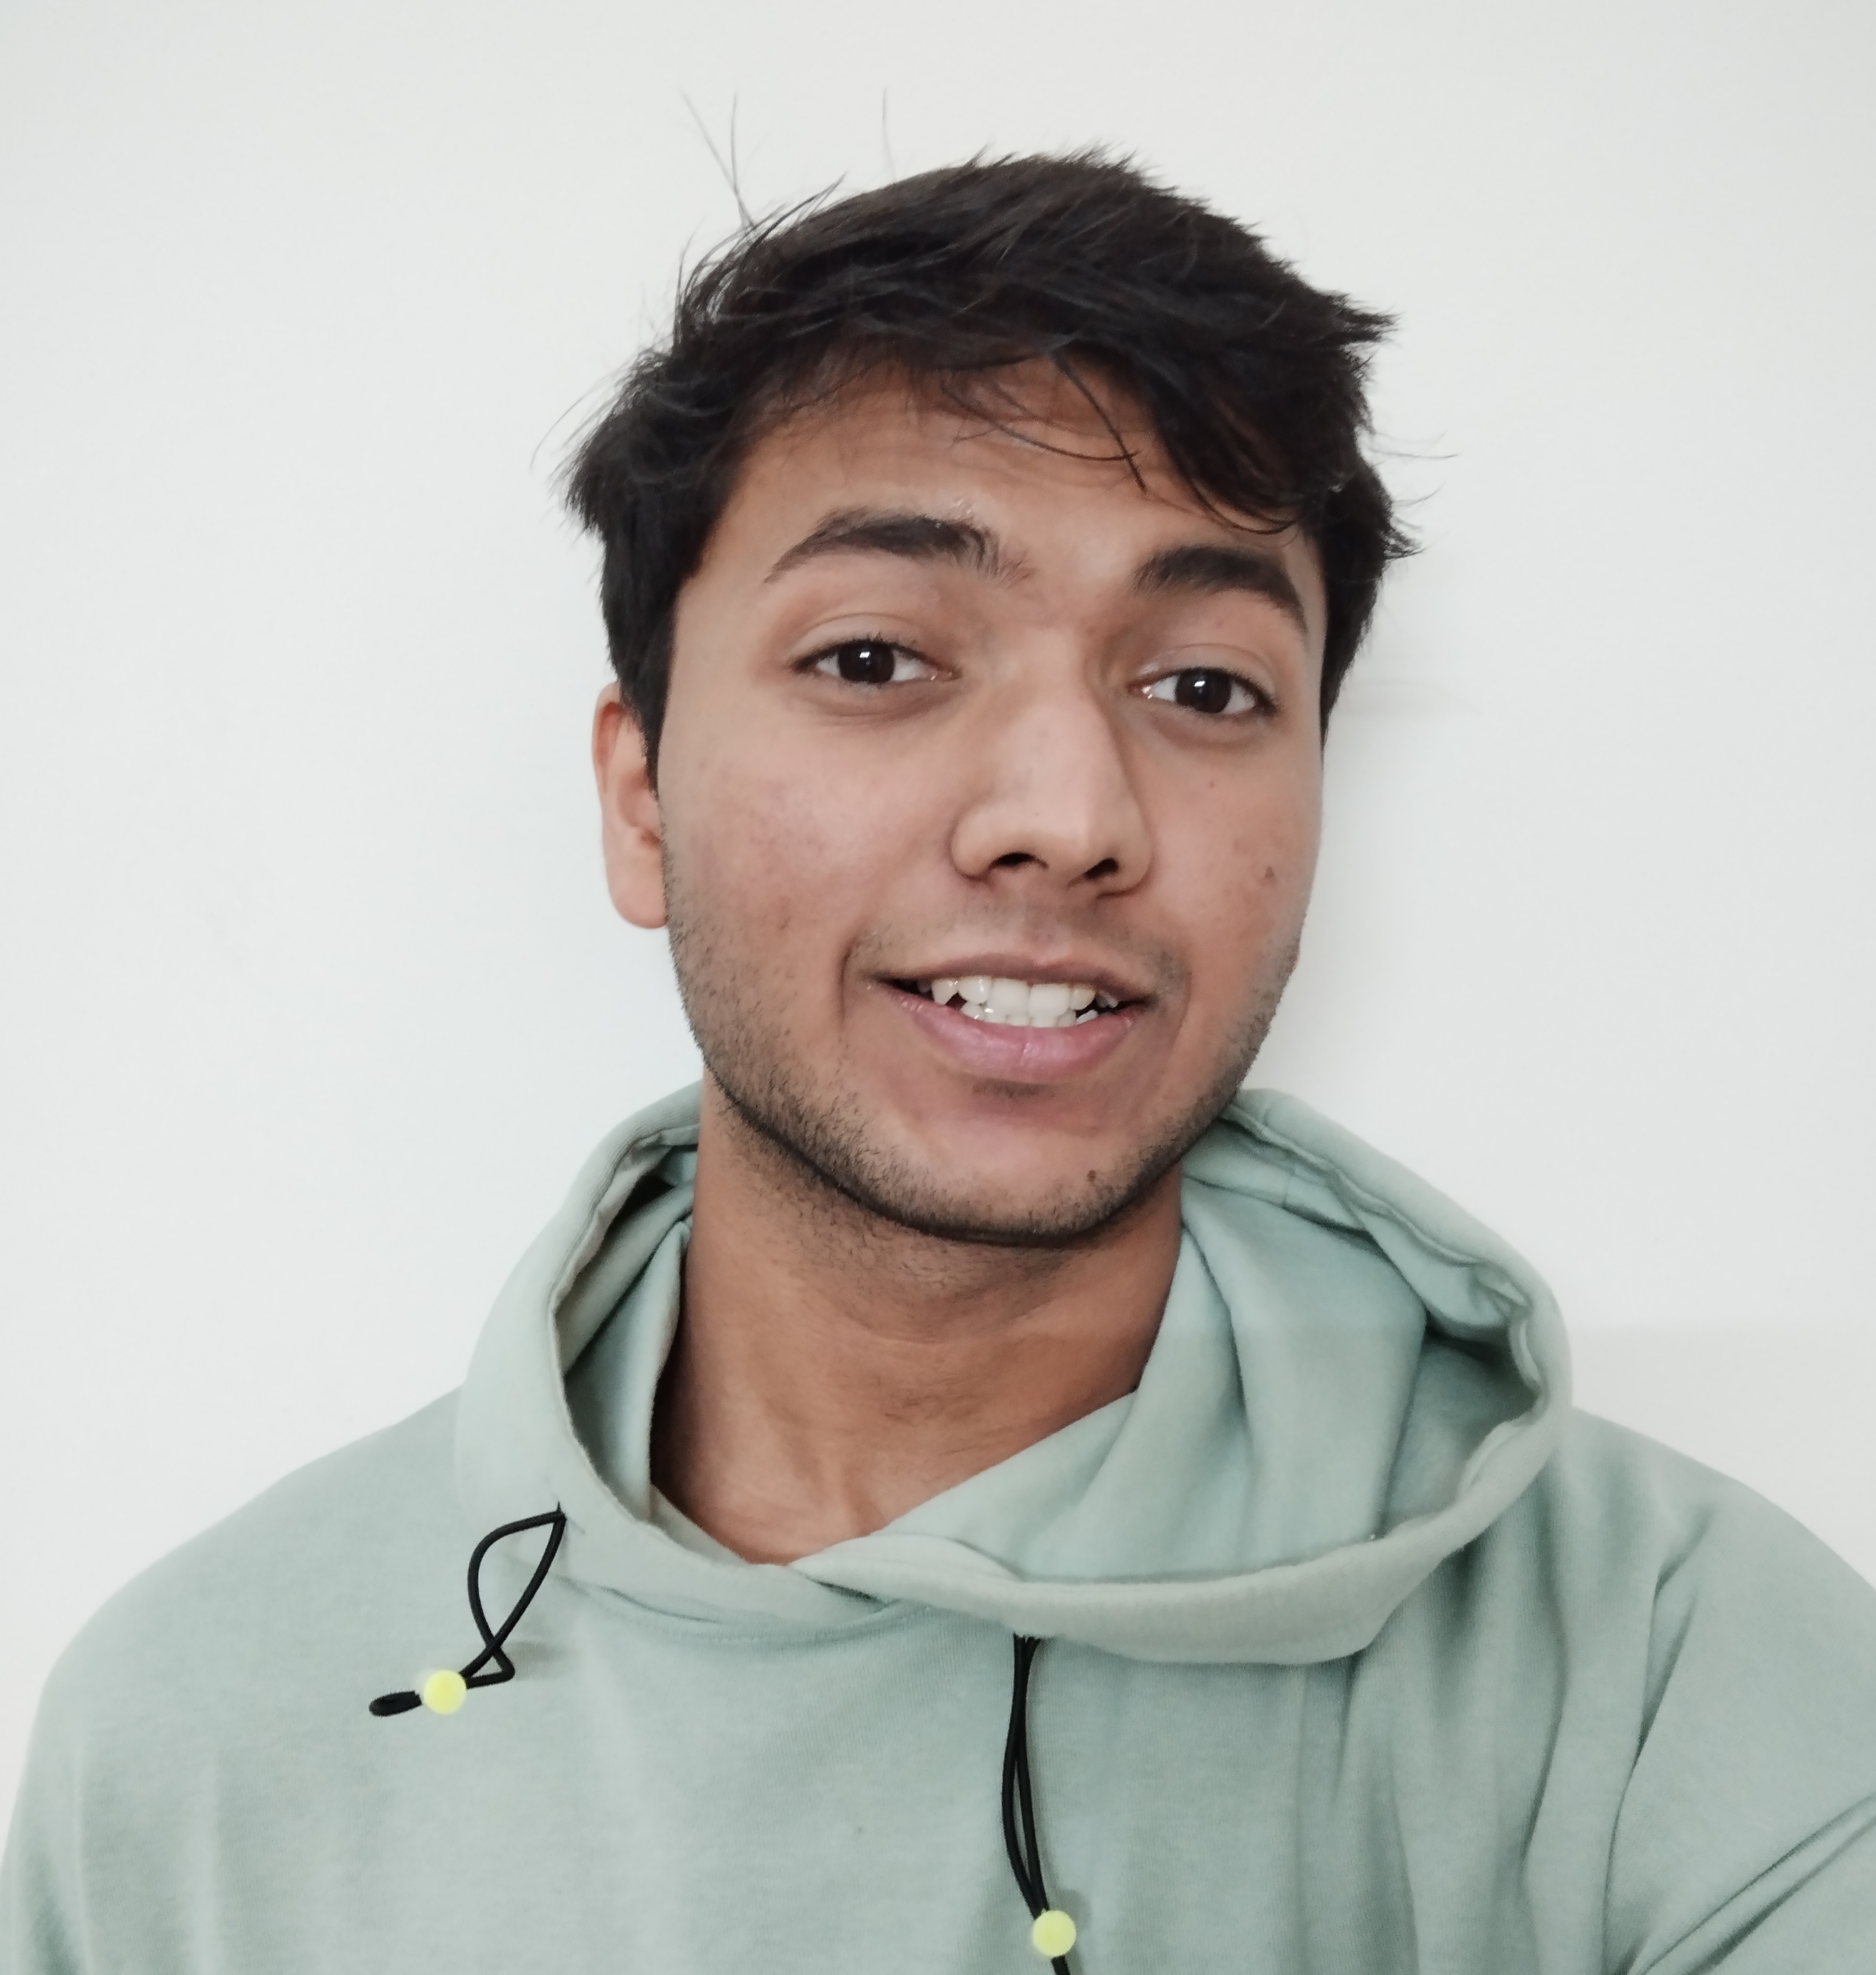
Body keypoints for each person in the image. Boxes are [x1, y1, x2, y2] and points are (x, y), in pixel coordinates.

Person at [4, 152, 1874, 1975]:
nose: (1068, 818)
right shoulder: (188, 1746)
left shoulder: (1679, 1674)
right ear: (641, 799)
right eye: (879, 659)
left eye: (1204, 686)